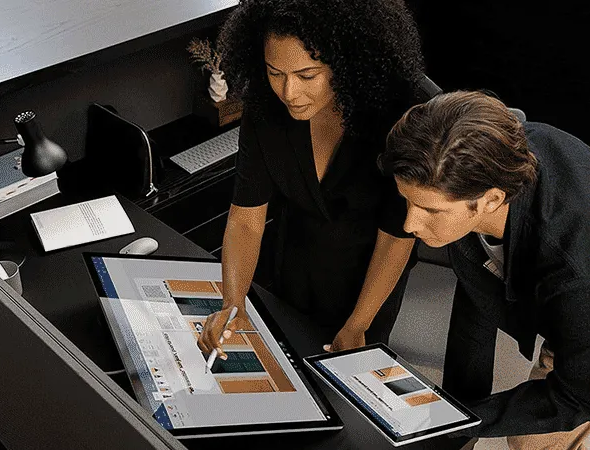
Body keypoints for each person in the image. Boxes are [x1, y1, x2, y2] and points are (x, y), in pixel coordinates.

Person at [196, 0, 425, 359]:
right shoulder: (265, 109)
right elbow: (246, 220)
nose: (288, 92)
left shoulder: (396, 117)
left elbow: (397, 236)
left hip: (371, 273)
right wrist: (232, 302)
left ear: (345, 64)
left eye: (307, 76)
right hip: (295, 261)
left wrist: (357, 324)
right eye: (275, 73)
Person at [379, 90, 590, 448]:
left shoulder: (573, 270)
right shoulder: (484, 161)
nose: (410, 223)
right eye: (408, 202)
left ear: (491, 200)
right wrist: (454, 424)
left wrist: (458, 423)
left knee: (540, 443)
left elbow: (576, 398)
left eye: (430, 211)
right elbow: (477, 302)